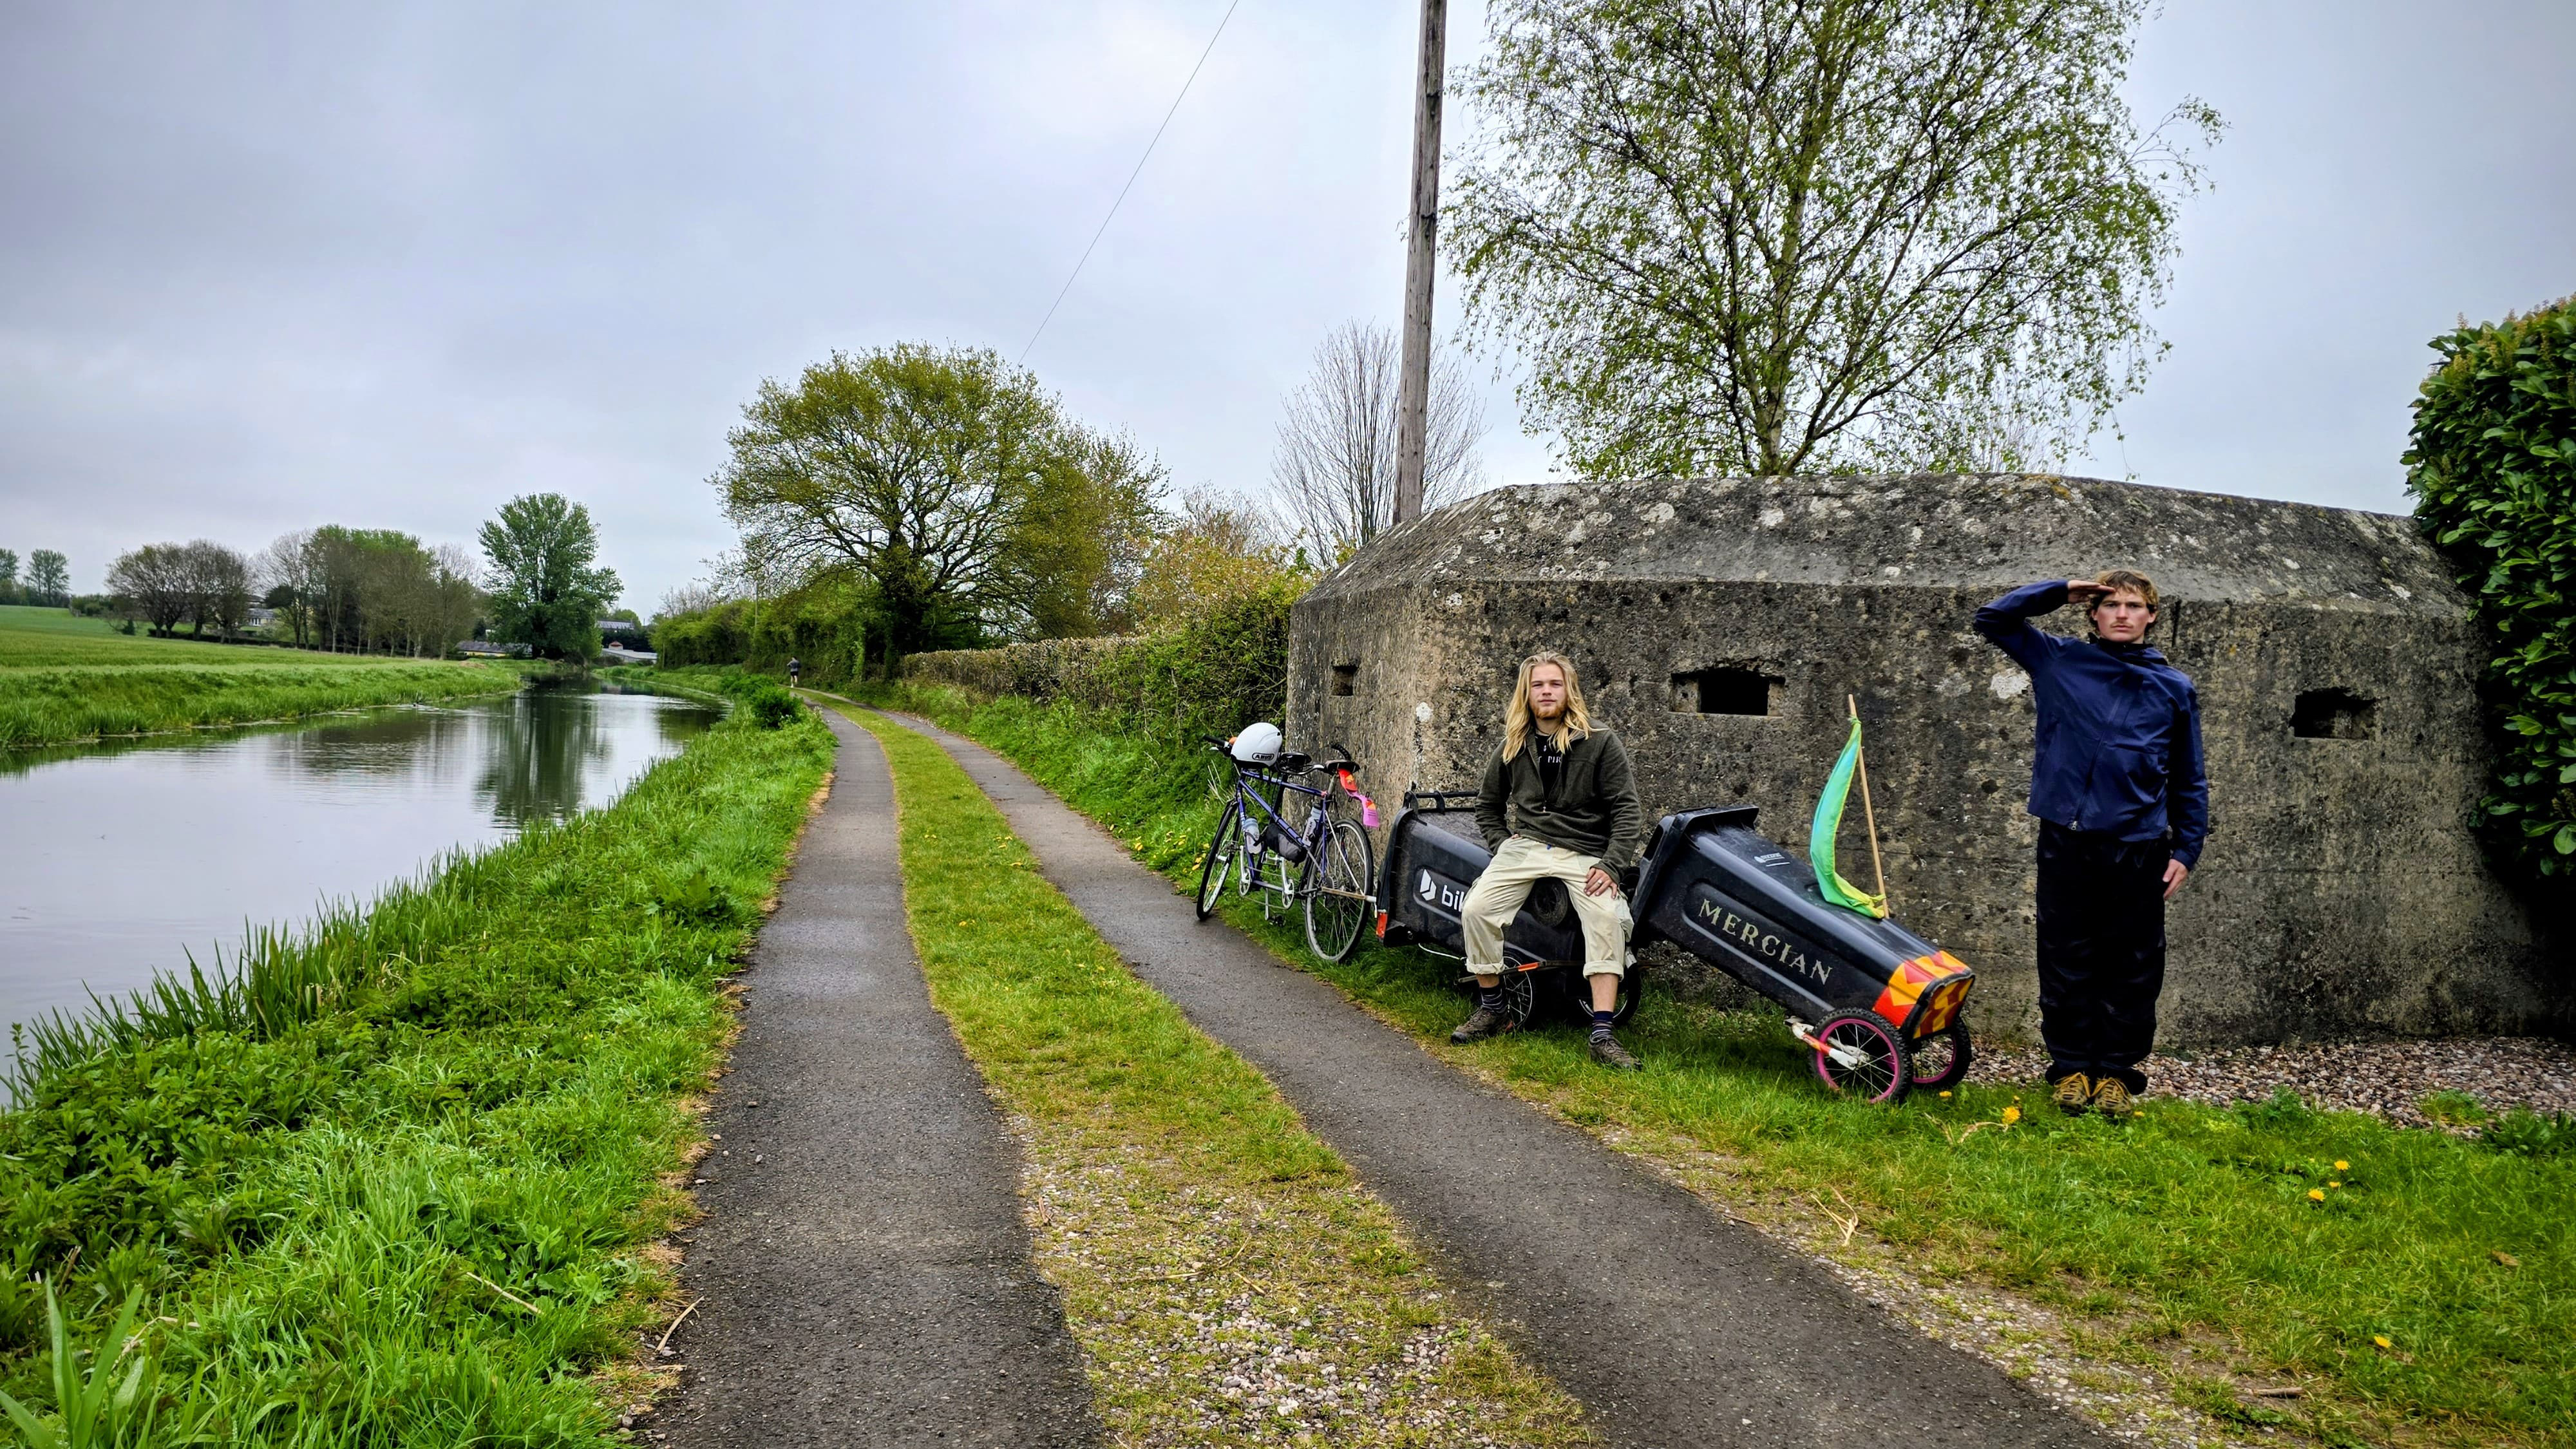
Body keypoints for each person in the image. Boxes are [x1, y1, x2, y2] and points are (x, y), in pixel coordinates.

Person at [1975, 571, 2208, 1117]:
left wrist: (2186, 849)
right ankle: (2072, 1069)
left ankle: (2117, 1076)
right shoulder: (2058, 659)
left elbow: (2188, 776)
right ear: (2093, 614)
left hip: (2140, 844)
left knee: (2133, 964)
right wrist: (2062, 589)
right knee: (2066, 957)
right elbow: (1992, 619)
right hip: (2068, 839)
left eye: (2134, 606)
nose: (2122, 614)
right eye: (2111, 605)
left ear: (2152, 616)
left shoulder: (2174, 687)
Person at [1450, 651, 1648, 1070]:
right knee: (1477, 909)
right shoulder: (1514, 744)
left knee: (1608, 918)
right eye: (1538, 685)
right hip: (1525, 849)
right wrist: (1503, 843)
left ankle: (1602, 1033)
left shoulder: (1600, 741)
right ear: (1527, 692)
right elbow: (1488, 806)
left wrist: (1611, 865)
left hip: (1584, 853)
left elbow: (1627, 811)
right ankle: (1494, 1007)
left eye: (1554, 684)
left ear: (1568, 690)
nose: (1546, 692)